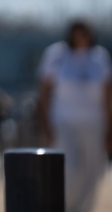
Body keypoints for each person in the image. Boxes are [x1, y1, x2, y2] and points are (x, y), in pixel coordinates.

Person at [38, 20, 112, 212]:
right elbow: (44, 94)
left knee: (92, 171)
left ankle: (84, 209)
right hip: (63, 122)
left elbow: (106, 97)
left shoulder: (100, 57)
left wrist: (109, 130)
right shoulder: (56, 54)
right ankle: (64, 207)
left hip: (94, 123)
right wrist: (44, 125)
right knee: (71, 169)